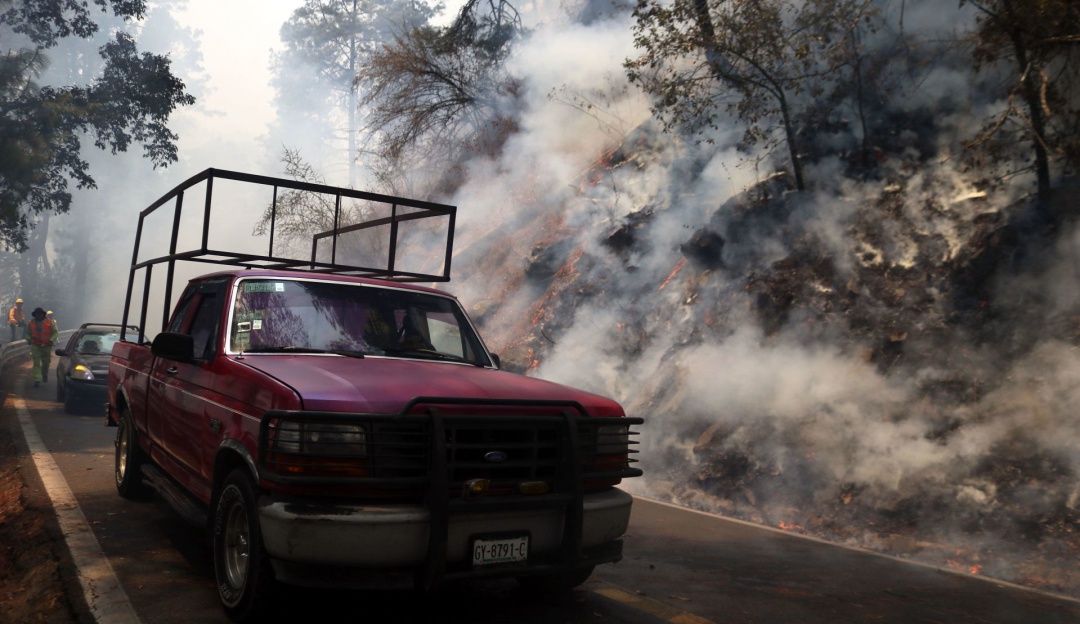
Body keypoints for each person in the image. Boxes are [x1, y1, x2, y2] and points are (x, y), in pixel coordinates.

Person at [25, 307, 58, 388]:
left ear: (43, 314)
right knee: (36, 363)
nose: (38, 315)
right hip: (36, 345)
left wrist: (51, 340)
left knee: (46, 362)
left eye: (40, 314)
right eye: (37, 314)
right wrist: (29, 339)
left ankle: (44, 374)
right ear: (35, 315)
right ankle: (37, 379)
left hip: (47, 346)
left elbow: (55, 332)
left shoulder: (50, 322)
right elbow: (27, 333)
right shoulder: (31, 323)